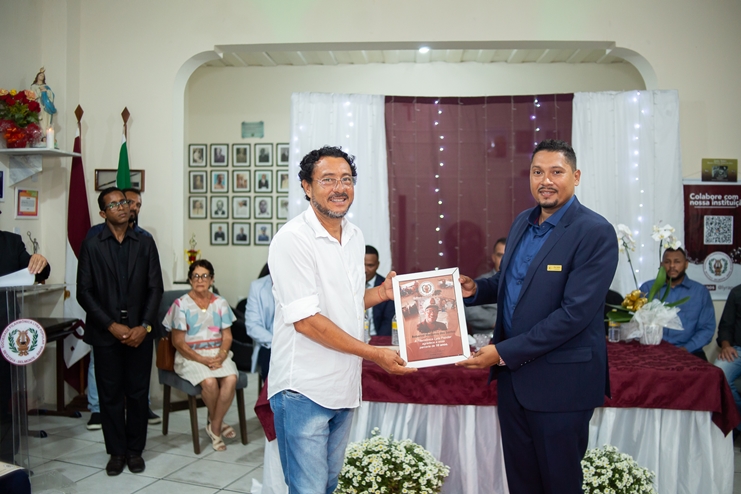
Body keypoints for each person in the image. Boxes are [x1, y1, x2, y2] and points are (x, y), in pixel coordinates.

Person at [457, 139, 618, 494]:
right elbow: (512, 282)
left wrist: (502, 352)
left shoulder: (595, 232)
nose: (545, 180)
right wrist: (476, 290)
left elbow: (573, 314)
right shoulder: (522, 222)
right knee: (522, 483)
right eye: (537, 172)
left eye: (556, 172)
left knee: (560, 484)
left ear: (576, 176)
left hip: (561, 386)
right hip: (514, 383)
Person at [268, 145, 415, 493]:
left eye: (346, 179)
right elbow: (306, 321)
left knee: (329, 484)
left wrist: (381, 294)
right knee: (308, 489)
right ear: (306, 187)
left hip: (344, 386)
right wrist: (374, 354)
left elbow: (347, 303)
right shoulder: (292, 239)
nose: (339, 188)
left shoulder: (355, 236)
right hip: (303, 389)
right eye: (328, 179)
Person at [77, 187, 163, 476]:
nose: (122, 207)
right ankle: (116, 452)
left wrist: (144, 326)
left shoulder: (145, 243)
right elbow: (84, 292)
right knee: (110, 395)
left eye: (124, 202)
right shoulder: (92, 245)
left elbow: (155, 288)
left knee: (138, 394)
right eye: (114, 205)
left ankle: (135, 451)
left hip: (140, 332)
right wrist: (110, 325)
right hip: (106, 333)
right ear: (103, 213)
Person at [162, 260, 239, 451]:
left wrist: (221, 356)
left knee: (231, 378)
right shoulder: (181, 304)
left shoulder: (220, 303)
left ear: (212, 279)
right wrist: (202, 360)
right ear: (190, 280)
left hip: (217, 353)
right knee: (210, 382)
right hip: (189, 355)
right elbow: (178, 342)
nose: (200, 280)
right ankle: (217, 425)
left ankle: (214, 424)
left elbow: (227, 336)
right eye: (195, 276)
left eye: (205, 276)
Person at [0, 223, 50, 464]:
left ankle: (7, 464)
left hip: (6, 336)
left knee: (5, 403)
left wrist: (41, 262)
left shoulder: (11, 243)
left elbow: (40, 272)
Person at [638, 247, 715, 360]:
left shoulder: (700, 292)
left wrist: (686, 349)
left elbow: (707, 328)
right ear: (661, 265)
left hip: (690, 352)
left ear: (686, 264)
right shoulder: (648, 288)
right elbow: (636, 322)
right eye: (667, 262)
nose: (672, 266)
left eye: (677, 262)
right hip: (653, 351)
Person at [714, 284, 741, 437]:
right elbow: (726, 326)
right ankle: (737, 423)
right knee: (719, 373)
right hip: (738, 350)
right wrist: (725, 346)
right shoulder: (737, 292)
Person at [464, 237, 506, 334]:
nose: (504, 260)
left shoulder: (520, 283)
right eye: (500, 255)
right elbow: (470, 311)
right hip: (485, 336)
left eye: (507, 256)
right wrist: (496, 321)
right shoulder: (481, 282)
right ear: (493, 257)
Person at [245, 264, 274, 382]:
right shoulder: (258, 286)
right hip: (270, 343)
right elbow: (252, 325)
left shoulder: (300, 285)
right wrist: (277, 342)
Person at [365, 245, 395, 336]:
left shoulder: (387, 286)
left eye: (370, 265)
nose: (365, 270)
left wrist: (378, 342)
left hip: (378, 338)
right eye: (362, 264)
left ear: (377, 265)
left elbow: (389, 320)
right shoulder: (348, 285)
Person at [30, 67, 57, 135]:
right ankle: (40, 135)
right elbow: (32, 96)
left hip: (45, 106)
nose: (42, 76)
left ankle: (45, 134)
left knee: (45, 120)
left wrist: (46, 91)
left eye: (43, 76)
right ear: (37, 76)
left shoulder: (46, 86)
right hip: (38, 105)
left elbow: (51, 95)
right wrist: (40, 90)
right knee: (39, 120)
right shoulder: (33, 86)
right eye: (40, 75)